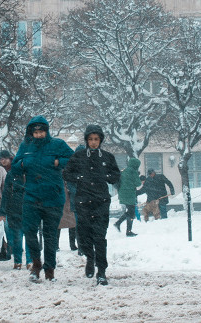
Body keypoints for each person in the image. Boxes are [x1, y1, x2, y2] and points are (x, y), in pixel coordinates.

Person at [11, 115, 74, 282]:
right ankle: (36, 264)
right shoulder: (25, 146)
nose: (38, 134)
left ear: (46, 131)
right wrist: (22, 165)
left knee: (50, 235)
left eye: (41, 131)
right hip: (31, 196)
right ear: (31, 132)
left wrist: (58, 162)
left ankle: (50, 269)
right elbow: (14, 168)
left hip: (53, 197)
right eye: (35, 132)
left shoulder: (57, 144)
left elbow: (73, 160)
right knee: (30, 232)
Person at [63, 124, 120, 286]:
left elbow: (115, 175)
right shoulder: (79, 156)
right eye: (90, 139)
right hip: (83, 202)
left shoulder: (107, 157)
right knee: (84, 238)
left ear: (100, 140)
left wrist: (107, 176)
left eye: (96, 139)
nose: (93, 142)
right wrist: (79, 177)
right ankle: (90, 257)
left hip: (101, 202)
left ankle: (101, 271)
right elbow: (67, 173)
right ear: (86, 140)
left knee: (100, 237)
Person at [0, 157, 32, 270]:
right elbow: (6, 194)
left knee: (29, 237)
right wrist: (3, 211)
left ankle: (30, 260)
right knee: (17, 237)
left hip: (30, 208)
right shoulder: (11, 175)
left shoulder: (32, 173)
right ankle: (18, 261)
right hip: (15, 209)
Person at [114, 157, 142, 237]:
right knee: (131, 213)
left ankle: (120, 225)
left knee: (130, 211)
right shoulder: (133, 172)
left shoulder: (124, 171)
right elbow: (138, 184)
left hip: (122, 194)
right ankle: (127, 230)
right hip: (130, 194)